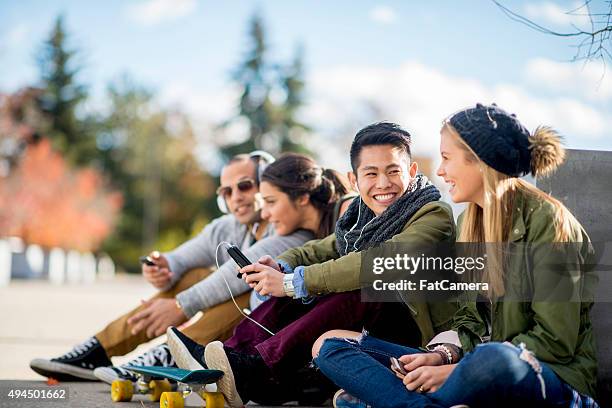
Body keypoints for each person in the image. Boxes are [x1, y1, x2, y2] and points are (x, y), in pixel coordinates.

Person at [313, 104, 599, 408]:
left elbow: (555, 342)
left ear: (480, 161)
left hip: (549, 378)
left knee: (494, 358)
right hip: (474, 367)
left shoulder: (550, 223)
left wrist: (455, 372)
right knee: (332, 346)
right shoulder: (469, 223)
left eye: (447, 158)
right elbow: (469, 321)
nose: (439, 170)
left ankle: (392, 400)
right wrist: (439, 357)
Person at [170, 122, 457, 407]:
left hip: (418, 340)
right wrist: (282, 265)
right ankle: (230, 358)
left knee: (355, 284)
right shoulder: (361, 217)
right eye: (371, 173)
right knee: (302, 281)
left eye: (393, 171)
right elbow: (320, 249)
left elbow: (377, 263)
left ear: (412, 171)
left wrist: (291, 283)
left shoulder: (434, 213)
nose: (383, 183)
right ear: (355, 180)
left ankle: (254, 369)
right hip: (377, 324)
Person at [29, 151, 312, 382]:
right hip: (254, 323)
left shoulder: (289, 227)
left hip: (280, 331)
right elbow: (181, 258)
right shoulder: (227, 227)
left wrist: (180, 307)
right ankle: (101, 348)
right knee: (194, 274)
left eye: (245, 186)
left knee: (240, 284)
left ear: (266, 184)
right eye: (226, 191)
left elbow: (237, 273)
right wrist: (163, 267)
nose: (235, 196)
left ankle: (168, 355)